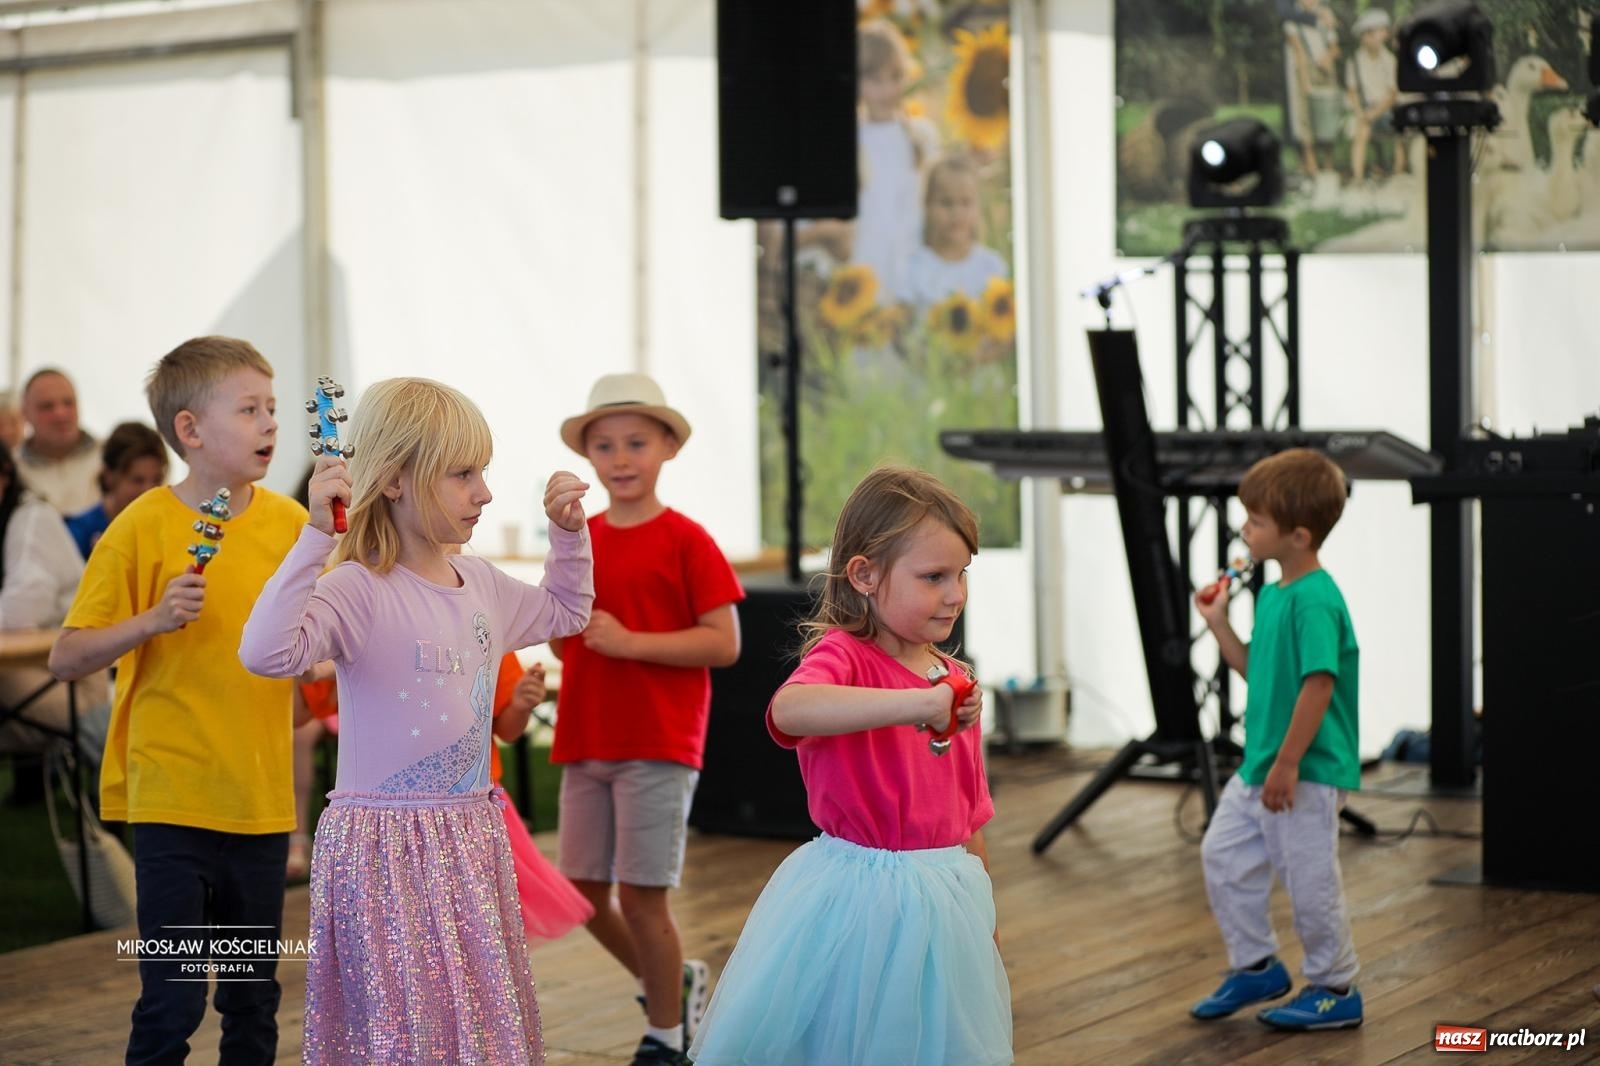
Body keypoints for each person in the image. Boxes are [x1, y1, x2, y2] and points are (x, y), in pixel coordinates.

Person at [238, 376, 594, 1064]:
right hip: (384, 848)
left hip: (469, 833)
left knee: (474, 1013)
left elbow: (565, 612)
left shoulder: (482, 583)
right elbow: (266, 651)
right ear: (395, 480)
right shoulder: (357, 588)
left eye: (482, 473)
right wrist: (317, 533)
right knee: (405, 1023)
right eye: (463, 474)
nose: (484, 492)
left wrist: (568, 536)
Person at [688, 465, 1011, 1065]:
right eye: (933, 576)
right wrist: (918, 703)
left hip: (945, 902)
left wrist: (984, 911)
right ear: (864, 574)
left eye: (962, 575)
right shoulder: (846, 657)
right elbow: (792, 708)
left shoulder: (954, 681)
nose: (955, 594)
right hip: (860, 903)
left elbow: (970, 817)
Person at [49, 336, 307, 1064]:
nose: (270, 424)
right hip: (172, 800)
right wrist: (152, 621)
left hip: (259, 803)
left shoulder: (294, 528)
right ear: (190, 430)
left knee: (253, 999)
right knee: (174, 996)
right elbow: (69, 655)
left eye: (273, 409)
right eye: (249, 409)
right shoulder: (140, 525)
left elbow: (325, 630)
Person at [553, 372, 744, 1066]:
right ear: (589, 457)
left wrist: (631, 643)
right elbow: (561, 634)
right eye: (604, 445)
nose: (621, 457)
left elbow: (724, 643)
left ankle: (665, 1035)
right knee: (579, 891)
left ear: (668, 446)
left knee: (641, 896)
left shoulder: (687, 539)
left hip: (659, 742)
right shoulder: (581, 536)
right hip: (584, 736)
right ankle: (672, 983)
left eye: (637, 441)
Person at [1189, 447, 1363, 1030]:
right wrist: (1218, 625)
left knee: (1311, 884)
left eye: (1256, 521)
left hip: (1301, 773)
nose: (1245, 529)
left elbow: (1319, 684)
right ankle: (1256, 963)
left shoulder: (1315, 599)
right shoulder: (1273, 594)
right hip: (1263, 766)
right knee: (1223, 855)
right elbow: (1255, 673)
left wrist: (1288, 763)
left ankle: (1336, 987)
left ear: (1298, 535)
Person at [0, 439, 109, 765]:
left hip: (77, 686)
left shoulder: (31, 517)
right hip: (28, 672)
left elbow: (24, 606)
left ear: (5, 475)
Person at [490, 652, 596, 945]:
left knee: (482, 923)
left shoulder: (482, 622)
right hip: (377, 804)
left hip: (471, 803)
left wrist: (522, 705)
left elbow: (506, 728)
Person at [852, 18, 939, 306]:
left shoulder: (922, 137)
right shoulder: (853, 140)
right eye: (875, 80)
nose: (887, 90)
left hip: (913, 280)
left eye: (895, 77)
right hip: (863, 276)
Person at [896, 156, 1009, 314]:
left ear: (978, 206)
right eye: (946, 203)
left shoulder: (992, 267)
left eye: (966, 202)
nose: (957, 213)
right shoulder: (913, 268)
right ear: (927, 205)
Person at [64, 421, 170, 559]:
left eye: (157, 479)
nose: (149, 491)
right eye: (137, 480)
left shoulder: (167, 527)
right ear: (109, 476)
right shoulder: (77, 533)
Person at [17, 368, 100, 514]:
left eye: (68, 403)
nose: (60, 414)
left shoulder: (111, 458)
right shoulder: (12, 471)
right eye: (47, 406)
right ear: (25, 413)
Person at [1344, 7, 1404, 184]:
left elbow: (1392, 94)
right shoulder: (1354, 61)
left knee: (1399, 129)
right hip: (1364, 110)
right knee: (1361, 129)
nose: (1372, 38)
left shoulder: (1389, 60)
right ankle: (1358, 176)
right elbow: (1352, 91)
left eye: (1376, 32)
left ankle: (1397, 174)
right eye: (1368, 33)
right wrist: (1360, 112)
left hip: (1385, 109)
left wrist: (1374, 113)